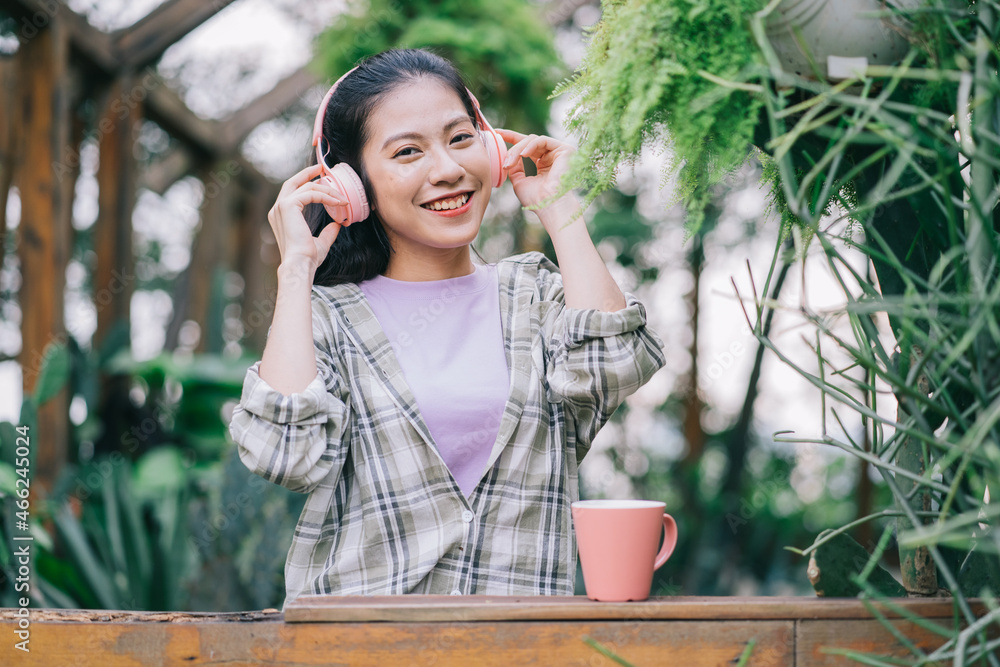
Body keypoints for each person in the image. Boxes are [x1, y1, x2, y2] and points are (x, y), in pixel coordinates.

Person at [229, 48, 665, 606]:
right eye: (408, 151)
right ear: (350, 186)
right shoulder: (327, 321)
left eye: (461, 138)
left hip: (526, 649)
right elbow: (286, 456)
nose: (448, 170)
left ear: (490, 145)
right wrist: (296, 270)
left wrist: (561, 208)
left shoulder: (535, 296)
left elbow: (611, 369)